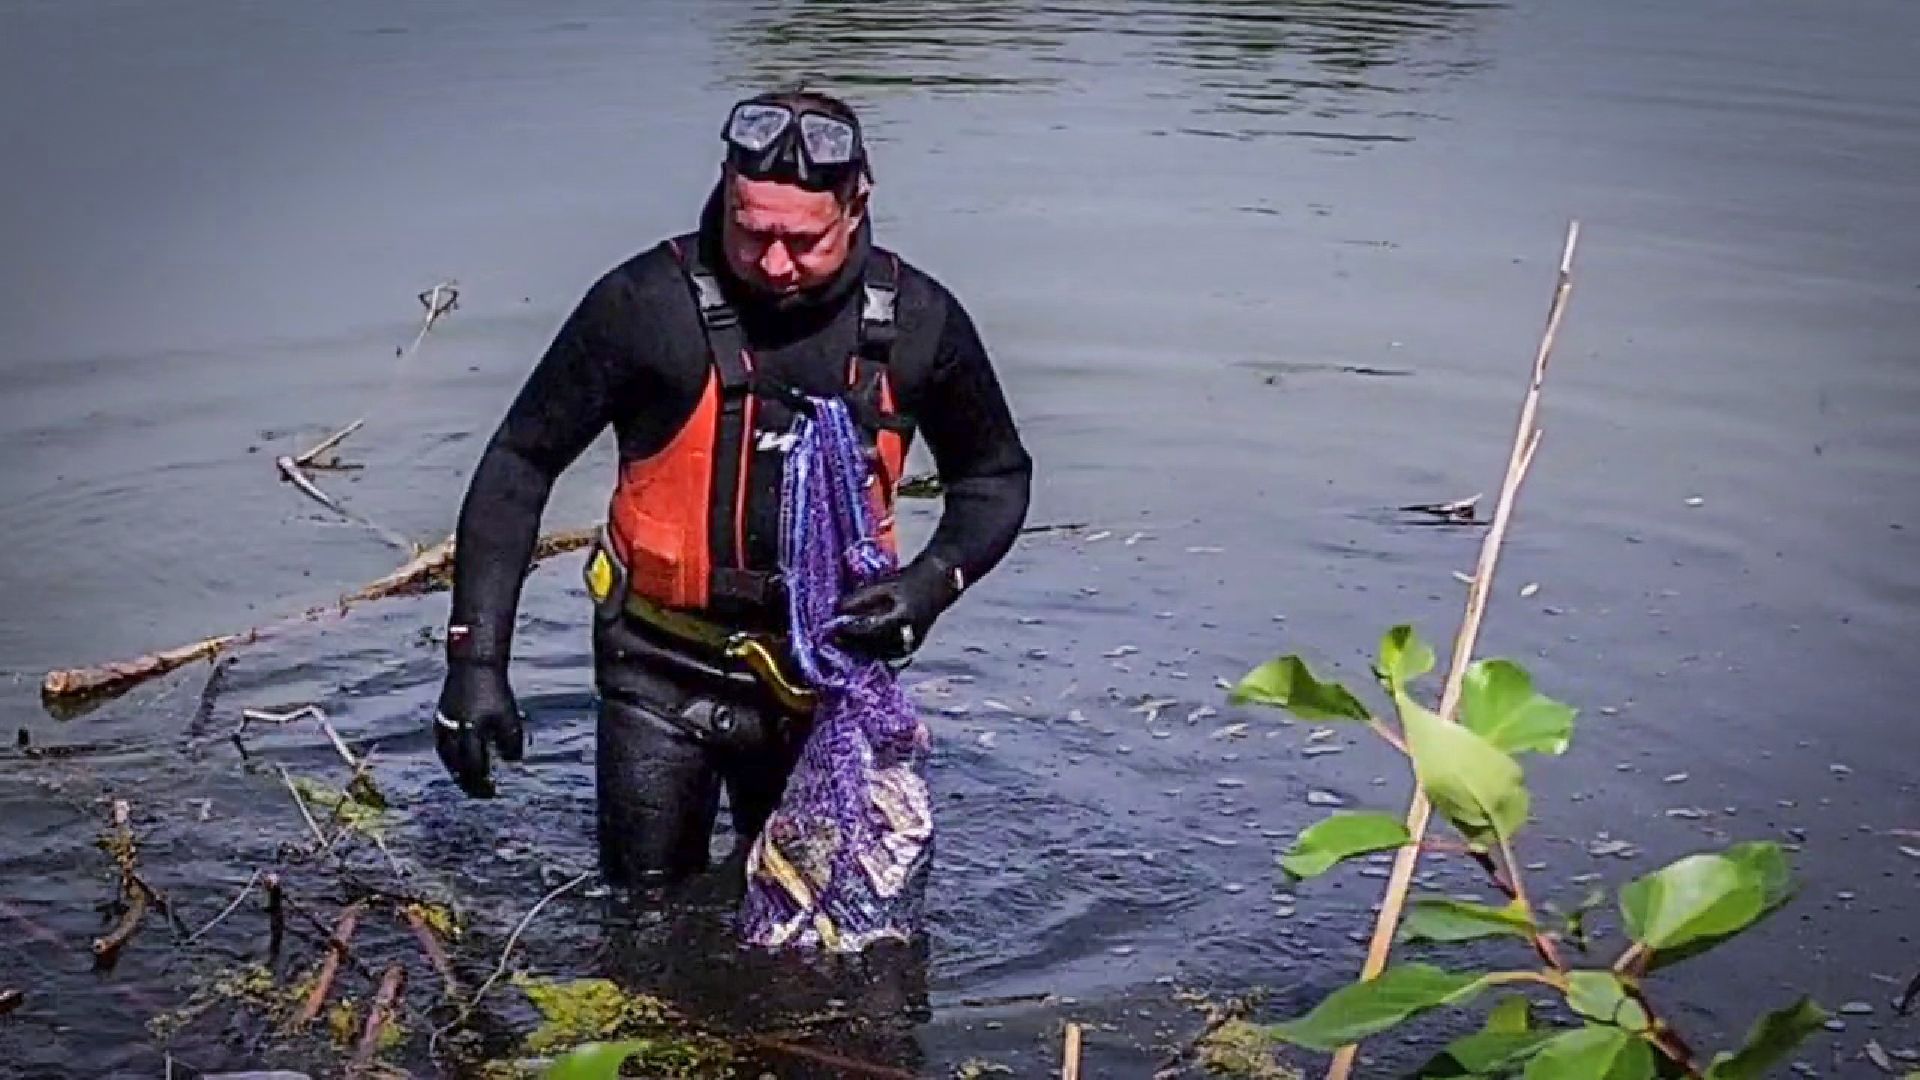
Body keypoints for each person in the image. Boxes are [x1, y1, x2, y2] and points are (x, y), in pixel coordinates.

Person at [430, 89, 1034, 892]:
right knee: (645, 926)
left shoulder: (920, 322)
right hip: (657, 670)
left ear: (858, 205)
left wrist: (929, 584)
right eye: (752, 233)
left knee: (829, 933)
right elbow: (519, 464)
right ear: (725, 187)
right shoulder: (645, 306)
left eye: (803, 240)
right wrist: (476, 663)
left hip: (826, 677)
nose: (775, 264)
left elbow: (994, 479)